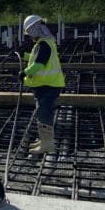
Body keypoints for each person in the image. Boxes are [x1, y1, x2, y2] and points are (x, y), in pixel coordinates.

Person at [19, 14, 65, 155]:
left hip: (48, 86)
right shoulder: (44, 43)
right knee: (43, 113)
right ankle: (45, 140)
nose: (29, 36)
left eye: (29, 32)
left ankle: (47, 145)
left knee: (44, 113)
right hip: (47, 86)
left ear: (34, 30)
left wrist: (24, 72)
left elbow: (39, 64)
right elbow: (35, 58)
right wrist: (24, 55)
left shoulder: (44, 44)